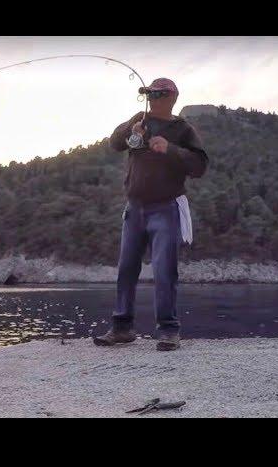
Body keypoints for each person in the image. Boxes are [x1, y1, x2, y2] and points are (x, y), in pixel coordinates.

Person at [93, 78, 208, 351]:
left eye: (158, 94)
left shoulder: (183, 129)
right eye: (149, 94)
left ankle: (168, 331)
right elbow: (115, 143)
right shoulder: (139, 119)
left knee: (165, 271)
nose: (152, 98)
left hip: (165, 208)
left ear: (171, 97)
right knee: (126, 269)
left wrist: (170, 149)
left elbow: (200, 166)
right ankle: (122, 328)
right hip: (134, 208)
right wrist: (129, 130)